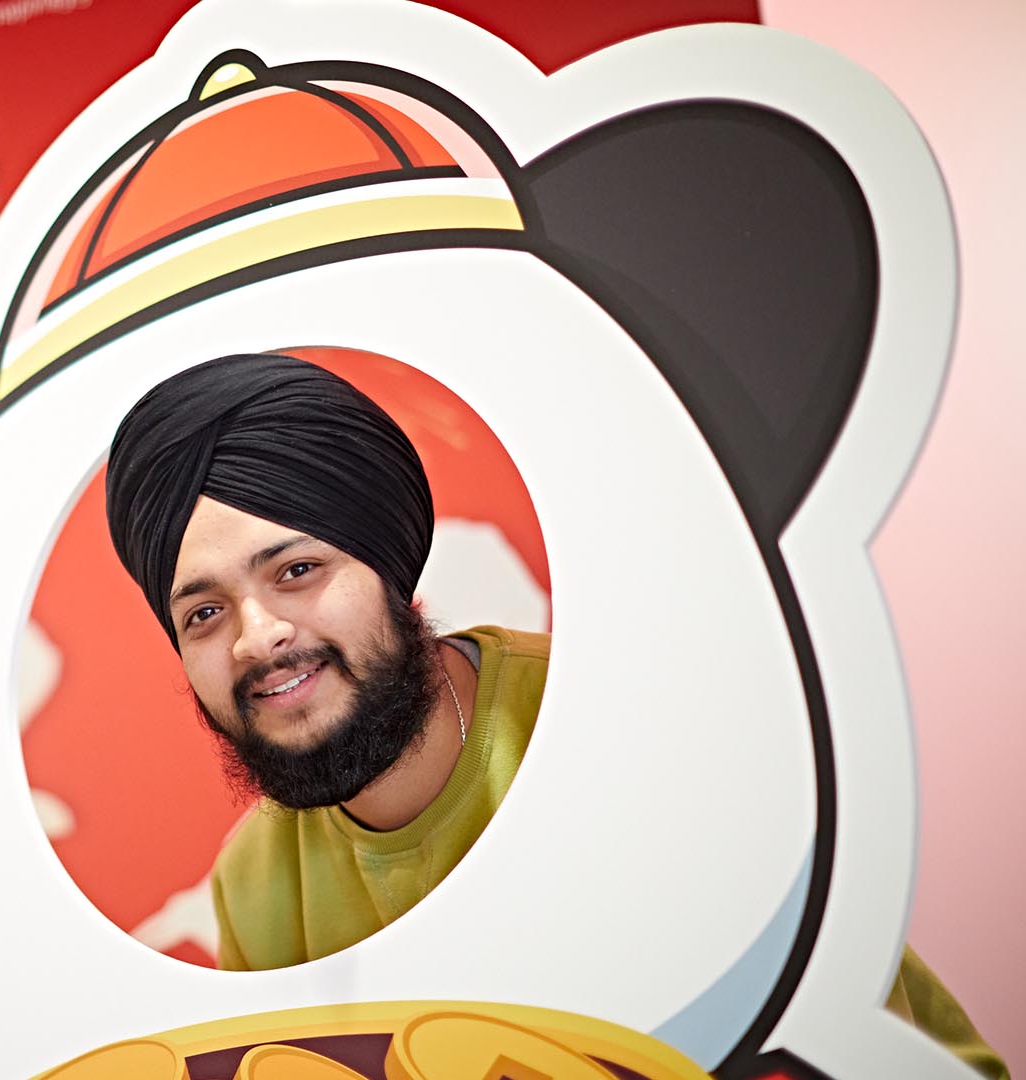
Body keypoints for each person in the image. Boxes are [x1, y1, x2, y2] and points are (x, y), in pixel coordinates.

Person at [103, 353, 1005, 1079]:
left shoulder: (628, 735)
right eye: (204, 614)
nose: (257, 637)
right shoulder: (257, 885)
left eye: (296, 571)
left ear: (390, 567)